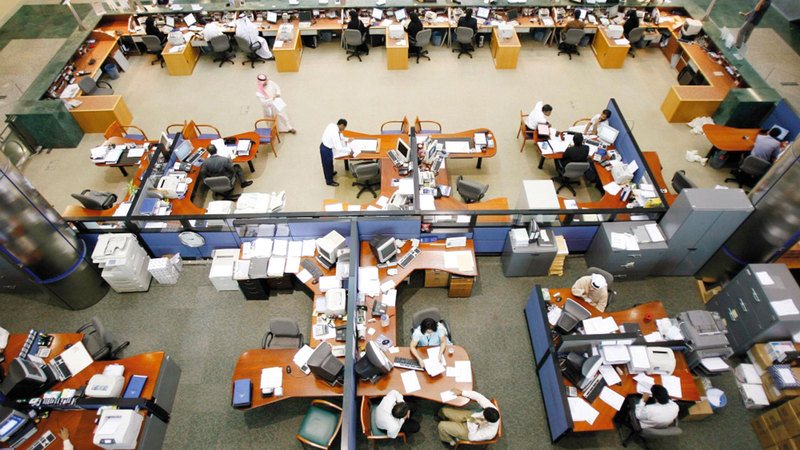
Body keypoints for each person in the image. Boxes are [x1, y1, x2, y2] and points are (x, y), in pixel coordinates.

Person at [320, 119, 349, 187]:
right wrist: (349, 151)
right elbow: (339, 148)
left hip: (325, 145)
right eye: (344, 128)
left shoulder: (332, 125)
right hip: (326, 149)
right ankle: (329, 181)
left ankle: (331, 173)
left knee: (330, 163)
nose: (343, 129)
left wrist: (347, 139)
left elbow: (340, 135)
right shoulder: (335, 133)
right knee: (327, 164)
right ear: (342, 125)